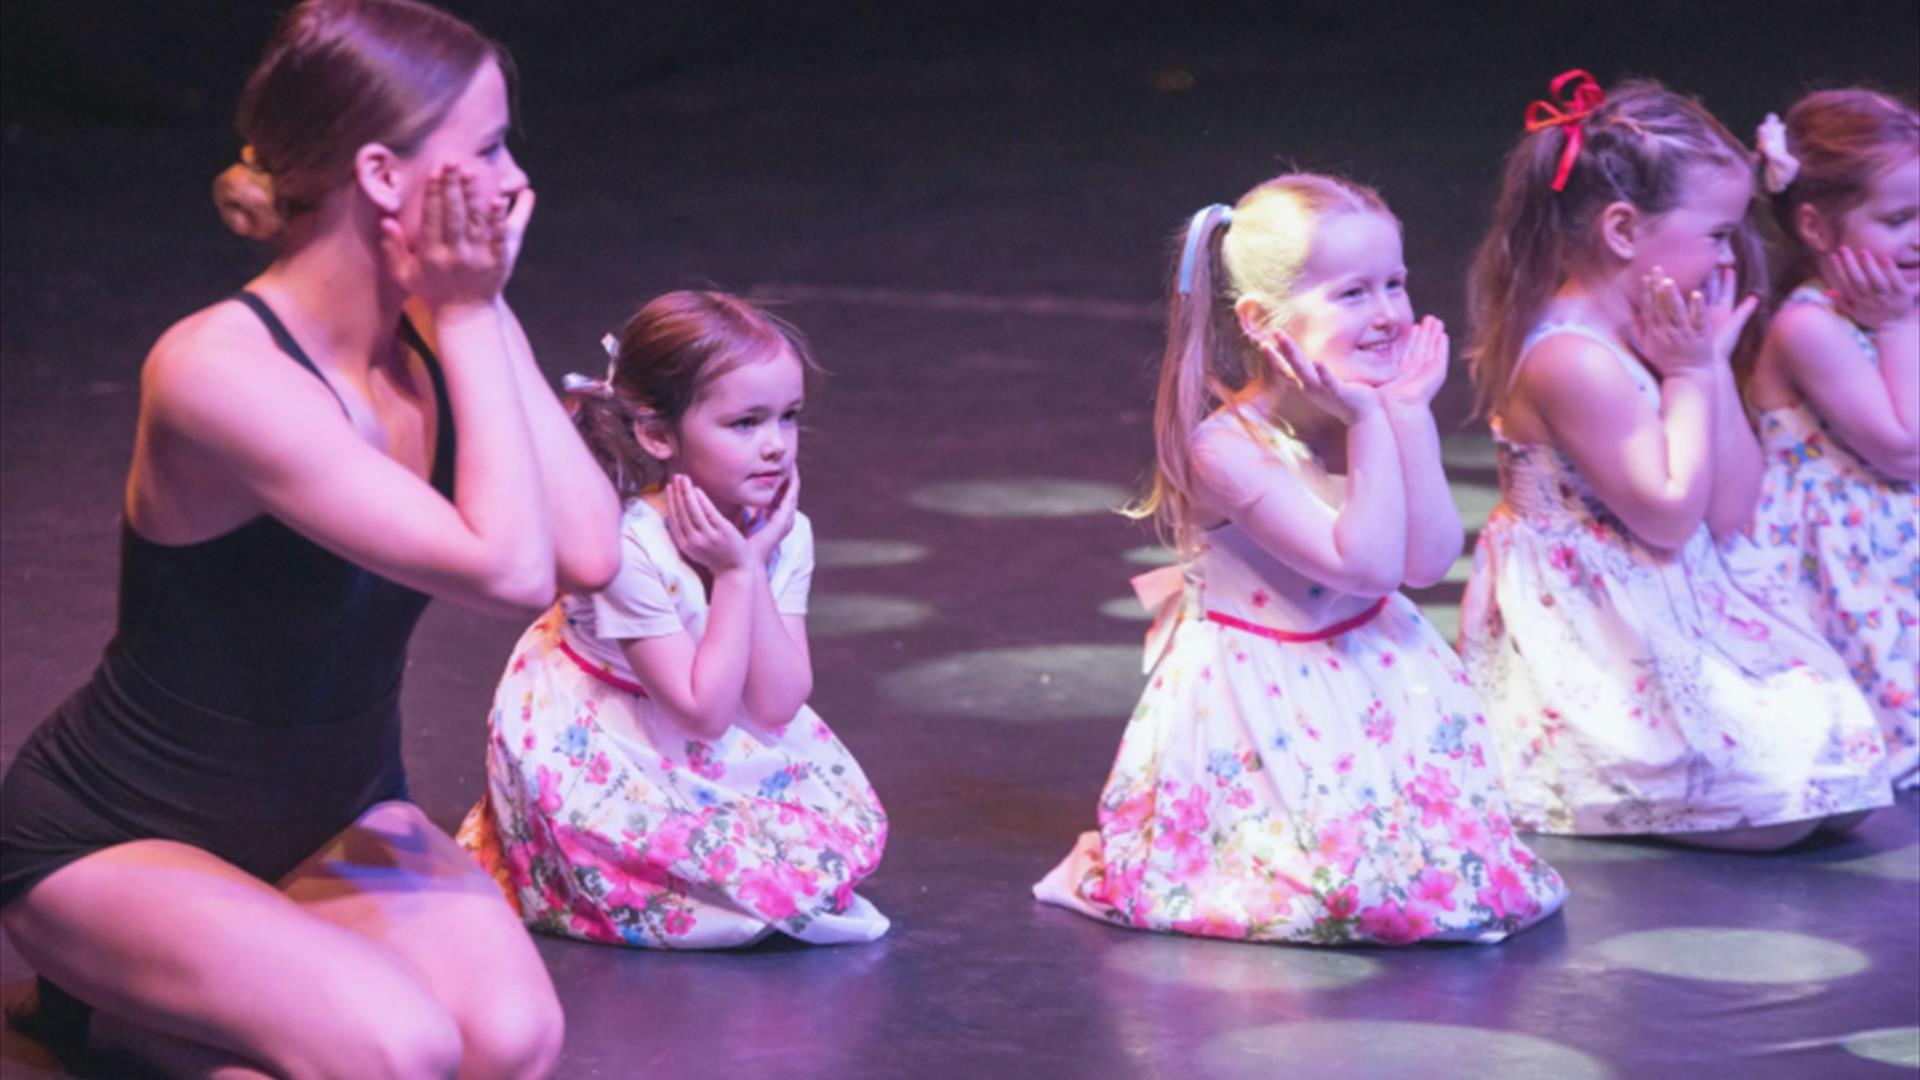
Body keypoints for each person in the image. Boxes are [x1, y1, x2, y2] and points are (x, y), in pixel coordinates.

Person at [0, 1, 621, 1075]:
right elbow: (506, 569)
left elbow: (587, 555)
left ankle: (143, 1028)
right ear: (384, 176)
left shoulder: (438, 326)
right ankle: (118, 989)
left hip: (335, 814)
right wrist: (471, 314)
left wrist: (482, 315)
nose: (516, 180)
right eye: (485, 148)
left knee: (512, 1041)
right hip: (118, 835)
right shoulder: (217, 371)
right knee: (398, 1048)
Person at [1034, 175, 1567, 945]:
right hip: (1271, 706)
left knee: (1441, 883)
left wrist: (1405, 415)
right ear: (1261, 320)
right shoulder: (1225, 448)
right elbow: (1366, 565)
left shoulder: (1368, 403)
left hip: (1372, 689)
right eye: (1353, 293)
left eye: (1395, 283)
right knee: (1355, 894)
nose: (1387, 312)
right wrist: (1373, 422)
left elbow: (1425, 561)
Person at [1457, 72, 1891, 850]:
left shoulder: (1661, 334)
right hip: (1596, 630)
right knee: (1776, 814)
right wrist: (1688, 377)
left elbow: (1731, 510)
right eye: (1718, 234)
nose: (1733, 256)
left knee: (1839, 778)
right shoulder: (1572, 359)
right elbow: (1665, 515)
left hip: (1663, 602)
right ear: (1625, 231)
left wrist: (1712, 370)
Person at [458, 290, 889, 949]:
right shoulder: (628, 545)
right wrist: (741, 574)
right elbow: (702, 712)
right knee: (707, 892)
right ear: (659, 435)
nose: (776, 446)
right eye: (746, 423)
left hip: (701, 710)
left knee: (801, 864)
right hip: (612, 727)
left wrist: (751, 564)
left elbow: (776, 703)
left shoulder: (780, 531)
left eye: (789, 418)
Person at [1724, 89, 1919, 790]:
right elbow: (1903, 448)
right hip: (1845, 560)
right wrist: (1897, 329)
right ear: (1815, 224)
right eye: (1898, 219)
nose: (1918, 236)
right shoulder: (1811, 326)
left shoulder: (1902, 303)